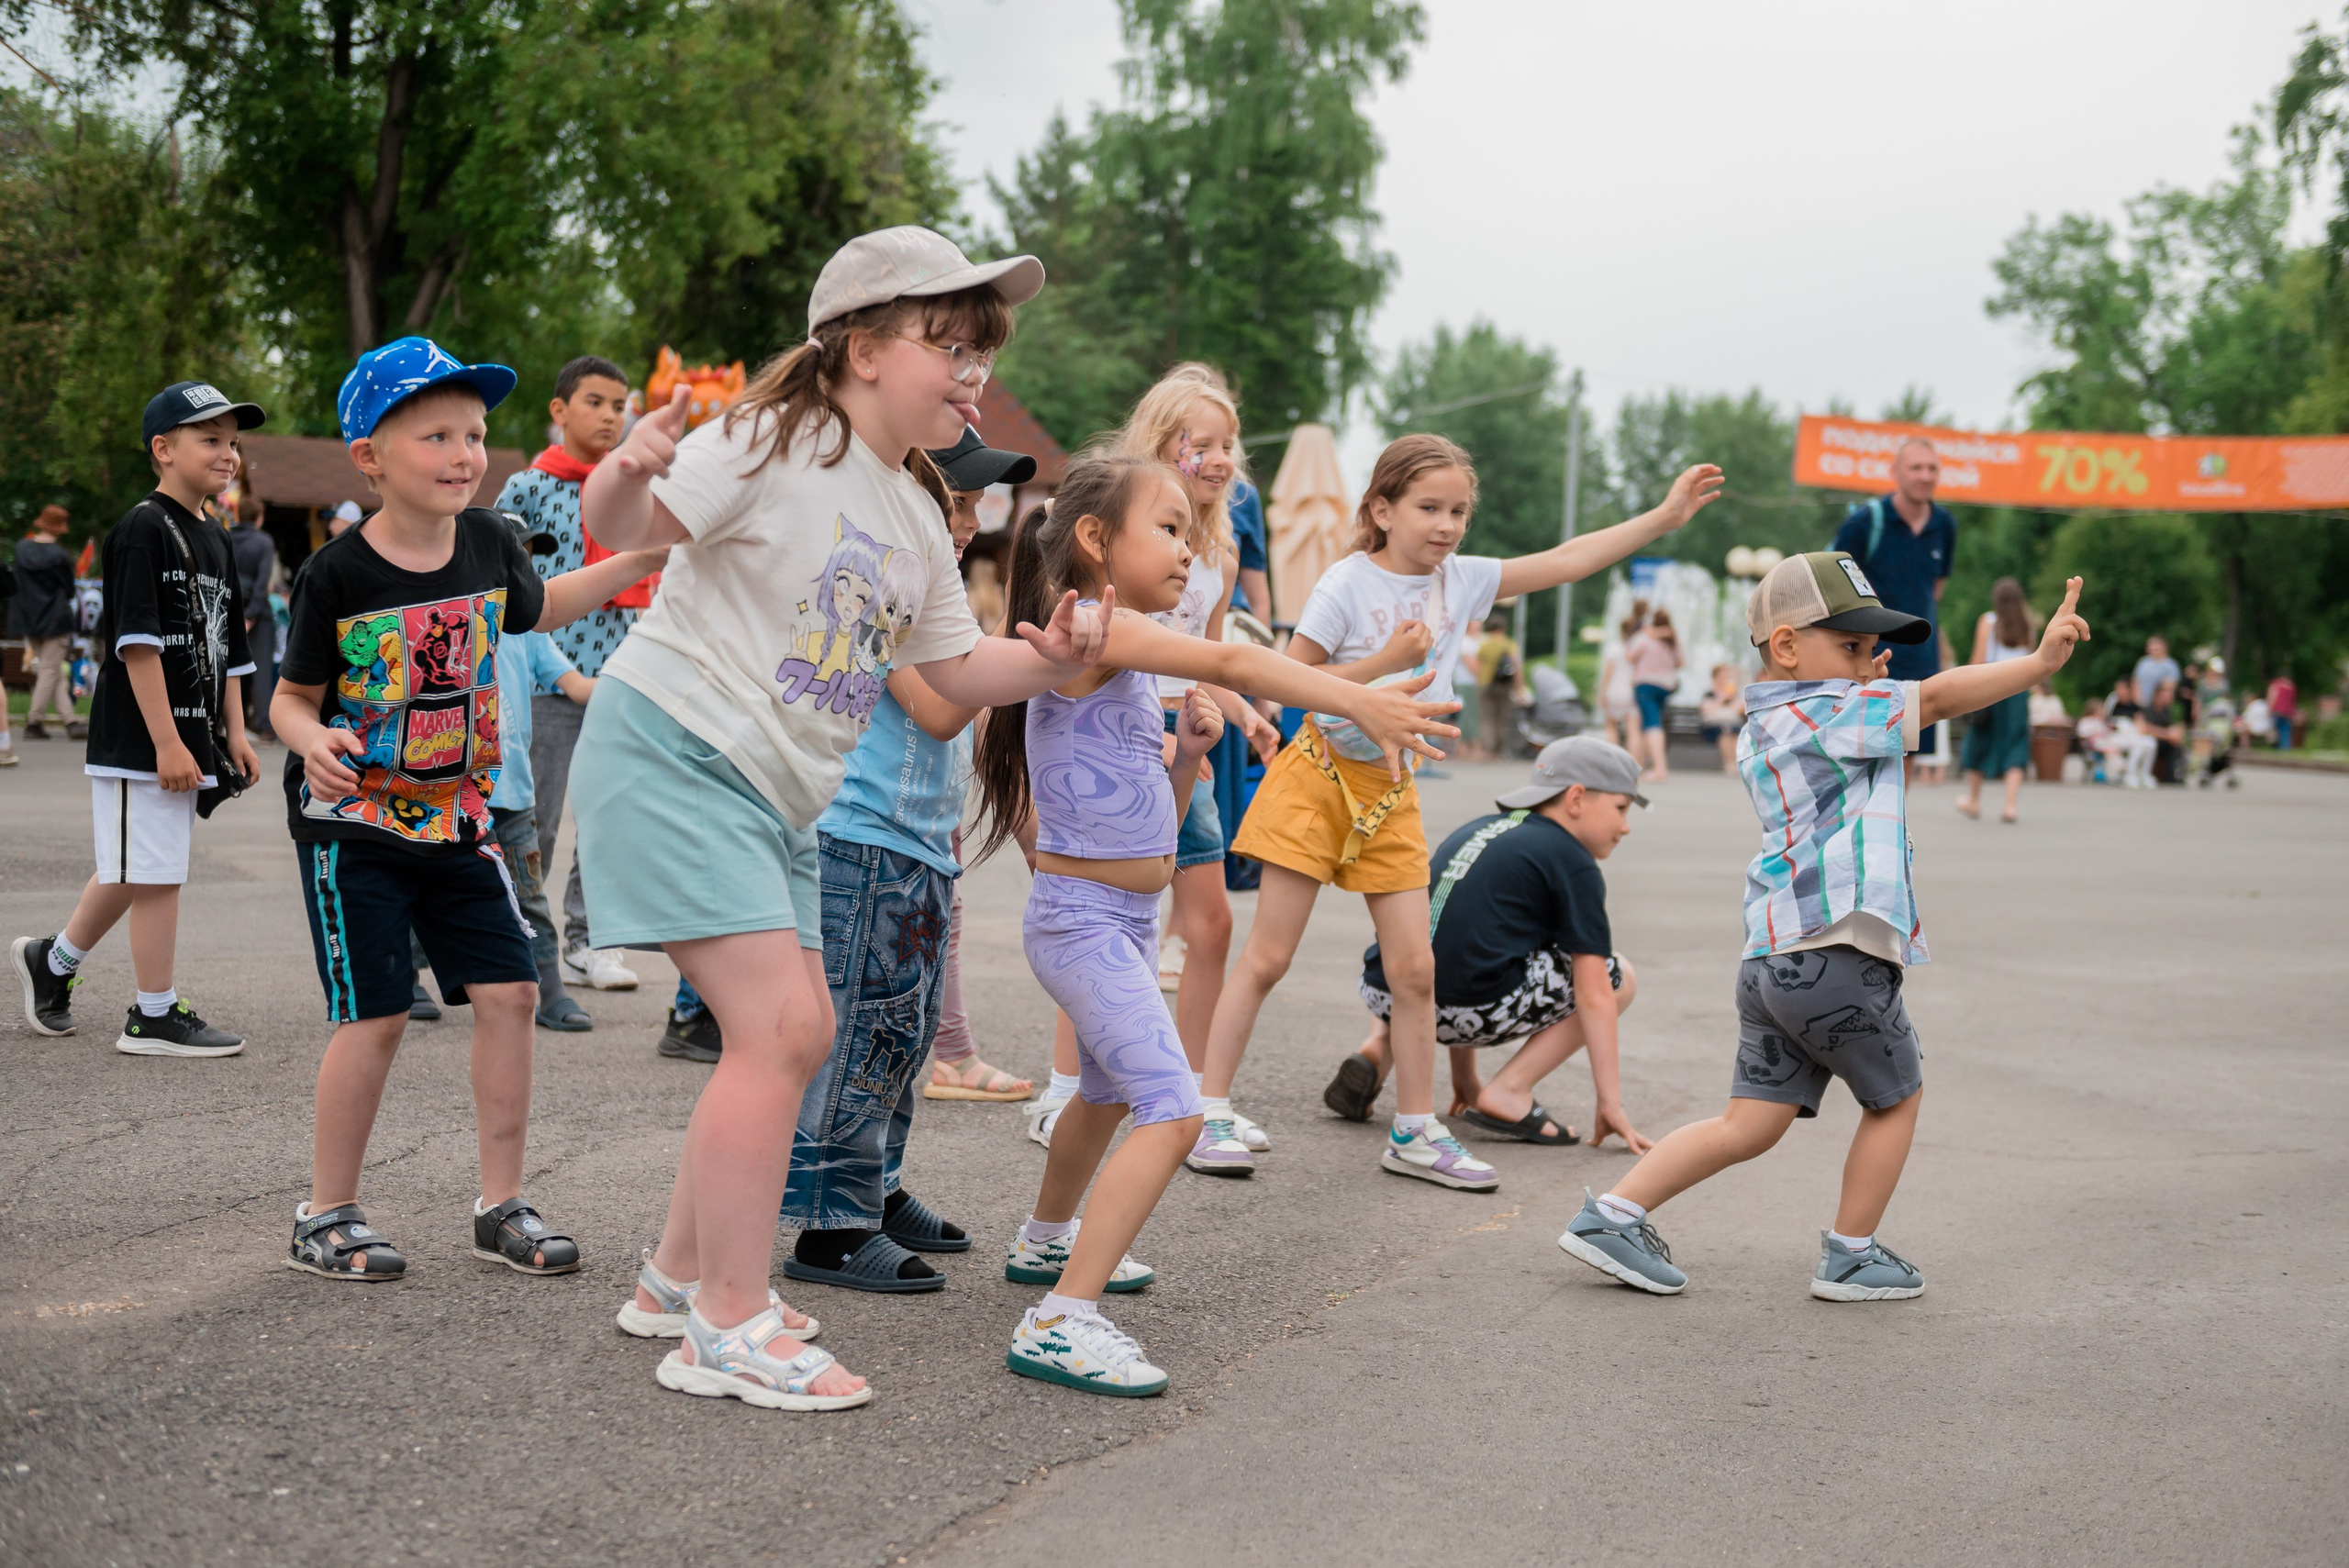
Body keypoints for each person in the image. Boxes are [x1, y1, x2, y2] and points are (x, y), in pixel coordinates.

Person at [575, 225, 1121, 1412]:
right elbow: (623, 535)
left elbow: (958, 676)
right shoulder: (774, 437)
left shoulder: (919, 513)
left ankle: (676, 1281)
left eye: (982, 349)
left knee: (787, 1032)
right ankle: (726, 1321)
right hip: (679, 744)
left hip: (773, 790)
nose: (974, 371)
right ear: (862, 347)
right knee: (782, 1031)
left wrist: (1054, 663)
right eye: (950, 344)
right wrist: (628, 462)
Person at [968, 452, 1458, 1395]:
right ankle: (1062, 1317)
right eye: (1169, 530)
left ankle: (1045, 1243)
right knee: (1176, 1108)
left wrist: (1189, 756)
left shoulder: (1113, 640)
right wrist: (1357, 695)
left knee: (1108, 1093)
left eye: (1191, 536)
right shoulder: (1097, 628)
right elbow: (1235, 657)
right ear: (1094, 539)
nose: (1189, 552)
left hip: (1115, 918)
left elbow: (1136, 807)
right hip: (1080, 921)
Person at [1562, 552, 2088, 1304]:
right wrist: (2034, 664)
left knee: (1749, 1123)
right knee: (1895, 1097)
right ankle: (1851, 1251)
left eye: (1872, 651)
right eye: (1849, 647)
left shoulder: (1770, 723)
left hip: (1772, 961)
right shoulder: (1835, 712)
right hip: (1836, 952)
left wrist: (1858, 676)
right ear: (1786, 646)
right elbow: (1934, 698)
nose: (1868, 663)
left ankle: (1613, 1214)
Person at [1210, 432, 1721, 1189]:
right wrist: (1382, 666)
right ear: (1381, 508)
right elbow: (1284, 683)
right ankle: (1206, 1108)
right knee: (1268, 956)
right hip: (1318, 776)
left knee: (1417, 968)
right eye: (1428, 508)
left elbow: (1567, 559)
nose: (1446, 524)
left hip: (1393, 789)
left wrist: (1661, 517)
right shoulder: (1347, 583)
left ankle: (1416, 1130)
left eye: (1458, 510)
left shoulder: (1463, 580)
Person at [269, 336, 662, 1285]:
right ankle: (325, 1210)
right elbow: (289, 696)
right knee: (375, 1014)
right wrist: (310, 739)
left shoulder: (489, 539)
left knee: (513, 992)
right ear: (370, 457)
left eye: (474, 433)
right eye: (436, 434)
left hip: (457, 818)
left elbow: (540, 606)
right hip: (355, 826)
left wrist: (645, 556)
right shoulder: (338, 572)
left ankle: (500, 1202)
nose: (463, 453)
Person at [776, 424, 1041, 1298]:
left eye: (976, 506)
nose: (969, 522)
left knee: (907, 1026)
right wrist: (1036, 659)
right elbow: (937, 710)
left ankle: (876, 1189)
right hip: (862, 835)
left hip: (918, 842)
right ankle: (830, 1225)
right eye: (957, 502)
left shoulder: (934, 594)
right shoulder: (884, 588)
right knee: (859, 1028)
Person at [11, 383, 264, 1054]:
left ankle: (52, 962)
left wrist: (233, 731)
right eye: (210, 438)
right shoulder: (143, 530)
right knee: (154, 871)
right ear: (163, 448)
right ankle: (153, 1015)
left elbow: (229, 646)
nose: (228, 452)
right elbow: (138, 646)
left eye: (233, 440)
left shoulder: (215, 534)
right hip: (142, 741)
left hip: (185, 739)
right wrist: (168, 743)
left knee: (135, 866)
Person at [1115, 364, 1285, 1173]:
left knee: (1210, 922)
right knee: (1114, 920)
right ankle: (1067, 1087)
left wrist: (1246, 711)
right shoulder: (1134, 532)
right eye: (1202, 444)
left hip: (1194, 739)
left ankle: (1195, 1098)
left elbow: (1212, 656)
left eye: (1229, 445)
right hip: (1125, 734)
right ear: (1160, 446)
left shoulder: (1216, 546)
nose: (1221, 459)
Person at [1348, 736, 1651, 1153]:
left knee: (1448, 936)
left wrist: (1465, 1079)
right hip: (1464, 1010)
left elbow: (1464, 937)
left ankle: (1380, 1048)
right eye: (1621, 808)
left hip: (1389, 994)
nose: (1626, 826)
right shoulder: (1572, 860)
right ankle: (1510, 1090)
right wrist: (1609, 1101)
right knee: (1618, 975)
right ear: (1576, 799)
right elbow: (1595, 992)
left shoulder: (1479, 829)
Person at [499, 354, 642, 996]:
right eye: (595, 402)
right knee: (540, 821)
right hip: (544, 684)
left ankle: (592, 939)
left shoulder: (635, 486)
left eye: (620, 404)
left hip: (622, 678)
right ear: (559, 411)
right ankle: (517, 935)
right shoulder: (528, 487)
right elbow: (499, 575)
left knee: (612, 818)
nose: (611, 415)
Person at [1831, 438, 1955, 780]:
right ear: (1896, 472)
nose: (1924, 476)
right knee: (1861, 748)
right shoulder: (1865, 523)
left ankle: (1893, 826)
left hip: (1920, 655)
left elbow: (1937, 588)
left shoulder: (1944, 525)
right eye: (1916, 467)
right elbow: (1835, 584)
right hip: (1870, 655)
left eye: (1932, 468)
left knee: (1909, 747)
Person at [1954, 577, 2036, 824]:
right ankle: (2010, 805)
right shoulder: (2028, 625)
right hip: (2018, 691)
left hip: (1991, 687)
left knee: (1979, 741)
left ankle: (1974, 800)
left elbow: (1978, 659)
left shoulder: (1989, 622)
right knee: (2016, 744)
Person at [12, 505, 81, 740]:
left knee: (51, 671)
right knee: (50, 670)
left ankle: (70, 722)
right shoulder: (61, 556)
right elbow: (69, 591)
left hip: (29, 619)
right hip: (55, 619)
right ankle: (33, 722)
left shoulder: (21, 549)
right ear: (60, 528)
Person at [227, 494, 281, 740]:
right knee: (260, 670)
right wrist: (251, 616)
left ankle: (227, 722)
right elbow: (263, 584)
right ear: (259, 518)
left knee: (229, 668)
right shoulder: (264, 542)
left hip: (227, 610)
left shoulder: (224, 537)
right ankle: (264, 725)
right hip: (258, 616)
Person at [1624, 606, 1683, 780]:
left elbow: (1630, 657)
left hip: (1646, 684)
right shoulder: (1673, 639)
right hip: (1665, 685)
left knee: (1652, 724)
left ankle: (1660, 768)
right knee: (1649, 724)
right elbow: (1680, 662)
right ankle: (1641, 765)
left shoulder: (1644, 638)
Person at [1597, 603, 1645, 751]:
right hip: (1632, 692)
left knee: (1611, 728)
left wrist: (1602, 693)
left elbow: (1608, 673)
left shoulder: (1614, 648)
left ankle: (1613, 762)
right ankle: (1634, 764)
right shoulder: (1639, 650)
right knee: (1633, 731)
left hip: (1614, 691)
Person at [1475, 614, 1523, 761]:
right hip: (1504, 685)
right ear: (1503, 628)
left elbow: (1478, 664)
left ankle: (1488, 749)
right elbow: (1516, 666)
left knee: (1487, 717)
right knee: (1503, 717)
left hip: (1485, 684)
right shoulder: (1509, 644)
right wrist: (1519, 686)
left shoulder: (1485, 644)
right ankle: (1499, 750)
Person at [1697, 662, 1744, 770]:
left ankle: (1737, 764)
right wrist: (1721, 698)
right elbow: (1706, 711)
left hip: (1732, 725)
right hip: (1713, 727)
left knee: (1734, 733)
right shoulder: (1709, 694)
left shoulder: (1732, 694)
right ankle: (1729, 764)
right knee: (1725, 732)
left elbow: (1741, 709)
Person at [2132, 636, 2180, 708]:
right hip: (2142, 702)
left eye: (2157, 648)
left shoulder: (2170, 665)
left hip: (2160, 705)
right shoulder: (2143, 662)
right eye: (2152, 648)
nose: (2154, 651)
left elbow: (2170, 685)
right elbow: (2136, 681)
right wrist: (2137, 696)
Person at [2266, 670, 2298, 751]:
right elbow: (2293, 701)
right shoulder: (2291, 687)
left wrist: (2269, 709)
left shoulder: (2276, 685)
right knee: (2285, 732)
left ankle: (2275, 748)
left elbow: (2273, 697)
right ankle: (2285, 749)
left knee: (2274, 731)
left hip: (2277, 711)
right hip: (2288, 713)